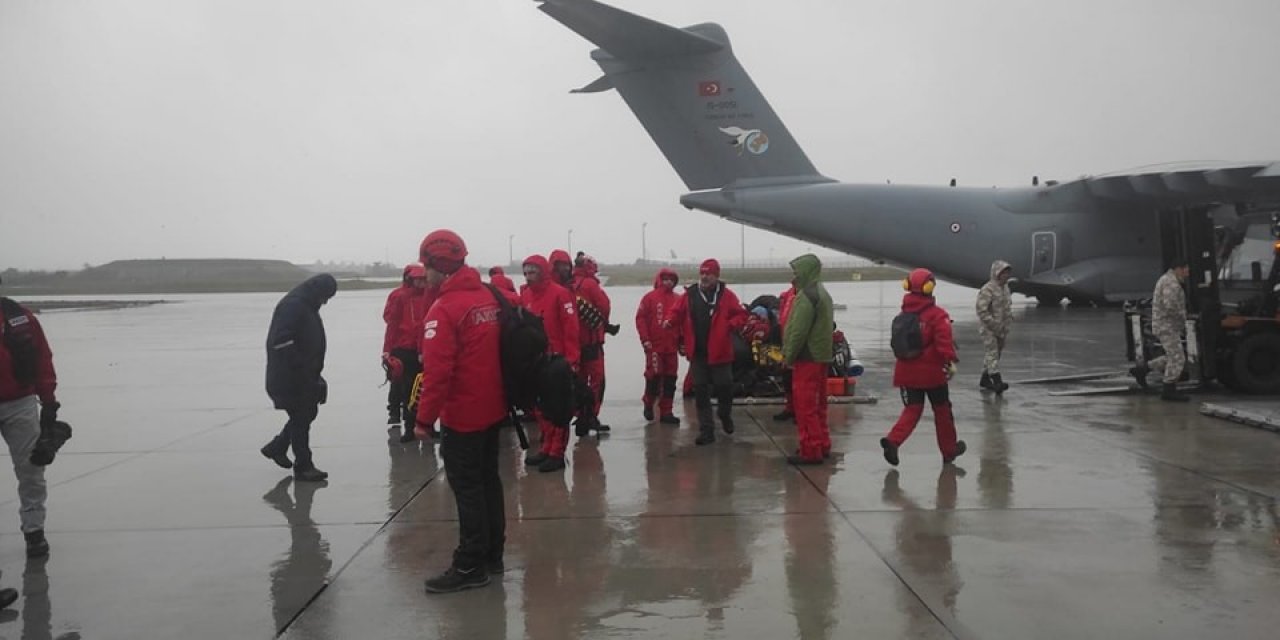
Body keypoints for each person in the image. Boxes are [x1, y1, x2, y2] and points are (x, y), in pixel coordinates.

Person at [414, 229, 511, 593]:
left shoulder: (446, 308)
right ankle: (492, 554)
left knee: (467, 489)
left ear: (440, 265)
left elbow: (438, 373)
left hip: (464, 416)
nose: (424, 274)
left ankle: (470, 565)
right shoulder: (488, 296)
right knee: (489, 482)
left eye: (427, 265)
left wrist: (424, 419)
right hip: (492, 409)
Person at [880, 269, 966, 467]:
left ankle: (893, 441)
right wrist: (950, 361)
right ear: (929, 287)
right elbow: (944, 343)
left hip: (906, 372)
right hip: (931, 374)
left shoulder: (903, 314)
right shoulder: (938, 315)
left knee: (912, 409)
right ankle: (949, 450)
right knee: (942, 410)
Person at [0, 287, 59, 558]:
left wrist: (48, 402)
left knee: (32, 471)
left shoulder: (21, 317)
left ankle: (34, 531)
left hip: (20, 403)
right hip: (18, 404)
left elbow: (42, 358)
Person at [262, 274, 337, 482]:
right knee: (301, 416)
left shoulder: (306, 304)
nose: (325, 302)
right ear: (317, 291)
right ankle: (303, 465)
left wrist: (314, 375)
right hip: (289, 375)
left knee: (306, 412)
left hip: (302, 374)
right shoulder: (294, 305)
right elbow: (282, 341)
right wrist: (301, 369)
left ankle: (277, 446)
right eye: (325, 297)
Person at [667, 259, 747, 445]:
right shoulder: (690, 295)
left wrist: (730, 325)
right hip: (698, 353)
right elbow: (676, 312)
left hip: (721, 352)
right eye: (702, 273)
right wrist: (670, 321)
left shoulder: (727, 296)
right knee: (700, 391)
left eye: (708, 274)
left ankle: (724, 414)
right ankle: (706, 430)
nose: (704, 277)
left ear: (716, 276)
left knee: (724, 387)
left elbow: (741, 314)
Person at [519, 254, 580, 472]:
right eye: (526, 272)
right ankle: (546, 448)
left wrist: (571, 360)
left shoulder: (560, 294)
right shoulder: (525, 295)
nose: (528, 276)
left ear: (543, 271)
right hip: (535, 362)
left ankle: (557, 452)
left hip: (557, 361)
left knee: (559, 411)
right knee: (540, 410)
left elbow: (570, 327)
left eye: (533, 272)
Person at [781, 254, 834, 465]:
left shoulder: (807, 296)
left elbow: (798, 331)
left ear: (806, 271)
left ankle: (810, 450)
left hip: (807, 357)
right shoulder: (823, 293)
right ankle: (822, 444)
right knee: (819, 404)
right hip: (821, 356)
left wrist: (788, 355)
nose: (794, 276)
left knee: (805, 406)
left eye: (796, 271)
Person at [1131, 260, 1191, 401]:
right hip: (1167, 326)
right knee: (1178, 358)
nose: (1188, 273)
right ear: (1178, 269)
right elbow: (1170, 306)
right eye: (1186, 269)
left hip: (1164, 325)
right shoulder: (1172, 284)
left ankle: (1143, 370)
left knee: (1172, 356)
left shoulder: (1166, 279)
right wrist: (1183, 318)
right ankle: (1169, 389)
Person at [382, 263, 429, 427]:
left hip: (420, 347)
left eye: (424, 279)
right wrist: (387, 350)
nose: (422, 282)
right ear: (409, 279)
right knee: (399, 381)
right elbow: (391, 322)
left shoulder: (428, 296)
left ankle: (414, 417)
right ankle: (395, 412)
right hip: (401, 347)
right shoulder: (399, 296)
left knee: (419, 384)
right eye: (418, 279)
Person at [571, 254, 611, 436]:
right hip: (591, 342)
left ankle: (580, 415)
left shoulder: (567, 284)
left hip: (573, 343)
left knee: (579, 381)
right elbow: (604, 306)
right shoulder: (590, 284)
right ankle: (591, 416)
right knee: (597, 381)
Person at [636, 268, 682, 425]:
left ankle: (666, 412)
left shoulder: (678, 299)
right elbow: (640, 319)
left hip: (671, 347)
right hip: (654, 346)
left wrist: (682, 343)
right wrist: (645, 339)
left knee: (670, 380)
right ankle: (648, 402)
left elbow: (683, 323)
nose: (668, 282)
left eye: (671, 279)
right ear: (659, 280)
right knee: (653, 377)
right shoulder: (649, 298)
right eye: (665, 279)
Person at [975, 260, 1013, 394]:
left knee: (996, 354)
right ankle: (997, 381)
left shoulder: (1005, 288)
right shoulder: (988, 289)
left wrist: (1007, 323)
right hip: (989, 328)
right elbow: (981, 310)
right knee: (992, 352)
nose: (1006, 275)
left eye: (1008, 272)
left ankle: (985, 379)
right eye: (1004, 272)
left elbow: (1007, 307)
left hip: (1002, 328)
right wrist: (993, 324)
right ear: (997, 273)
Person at [773, 282, 798, 422]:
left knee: (798, 382)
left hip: (796, 343)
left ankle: (799, 411)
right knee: (787, 377)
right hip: (786, 340)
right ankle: (790, 408)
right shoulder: (789, 295)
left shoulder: (802, 296)